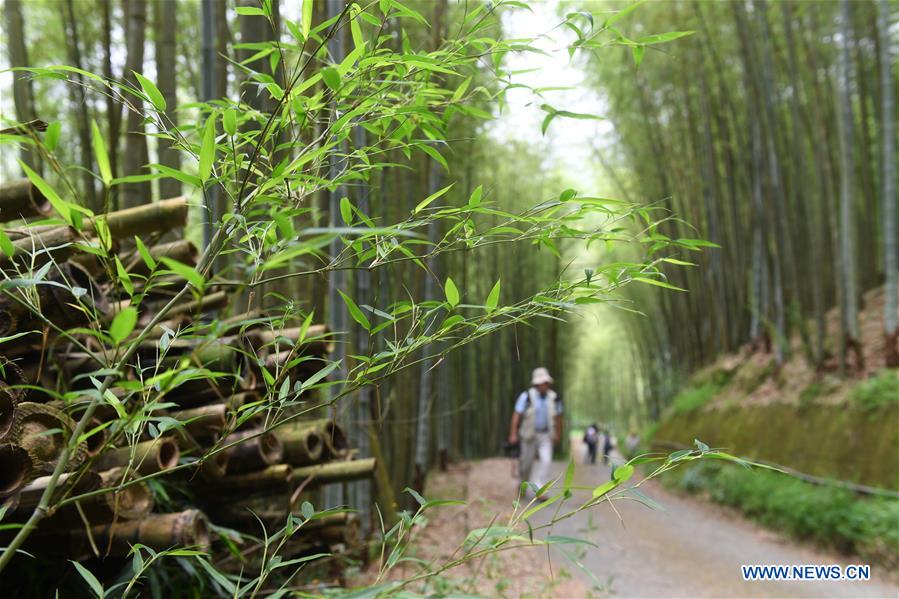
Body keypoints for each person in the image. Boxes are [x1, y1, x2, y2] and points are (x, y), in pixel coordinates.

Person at [507, 367, 563, 496]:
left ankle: (540, 489)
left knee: (546, 461)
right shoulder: (526, 396)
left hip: (546, 435)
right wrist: (513, 433)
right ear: (536, 384)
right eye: (541, 383)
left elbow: (559, 417)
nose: (543, 385)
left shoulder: (554, 397)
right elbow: (517, 415)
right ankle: (522, 484)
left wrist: (558, 434)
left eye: (545, 382)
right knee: (526, 465)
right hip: (528, 435)